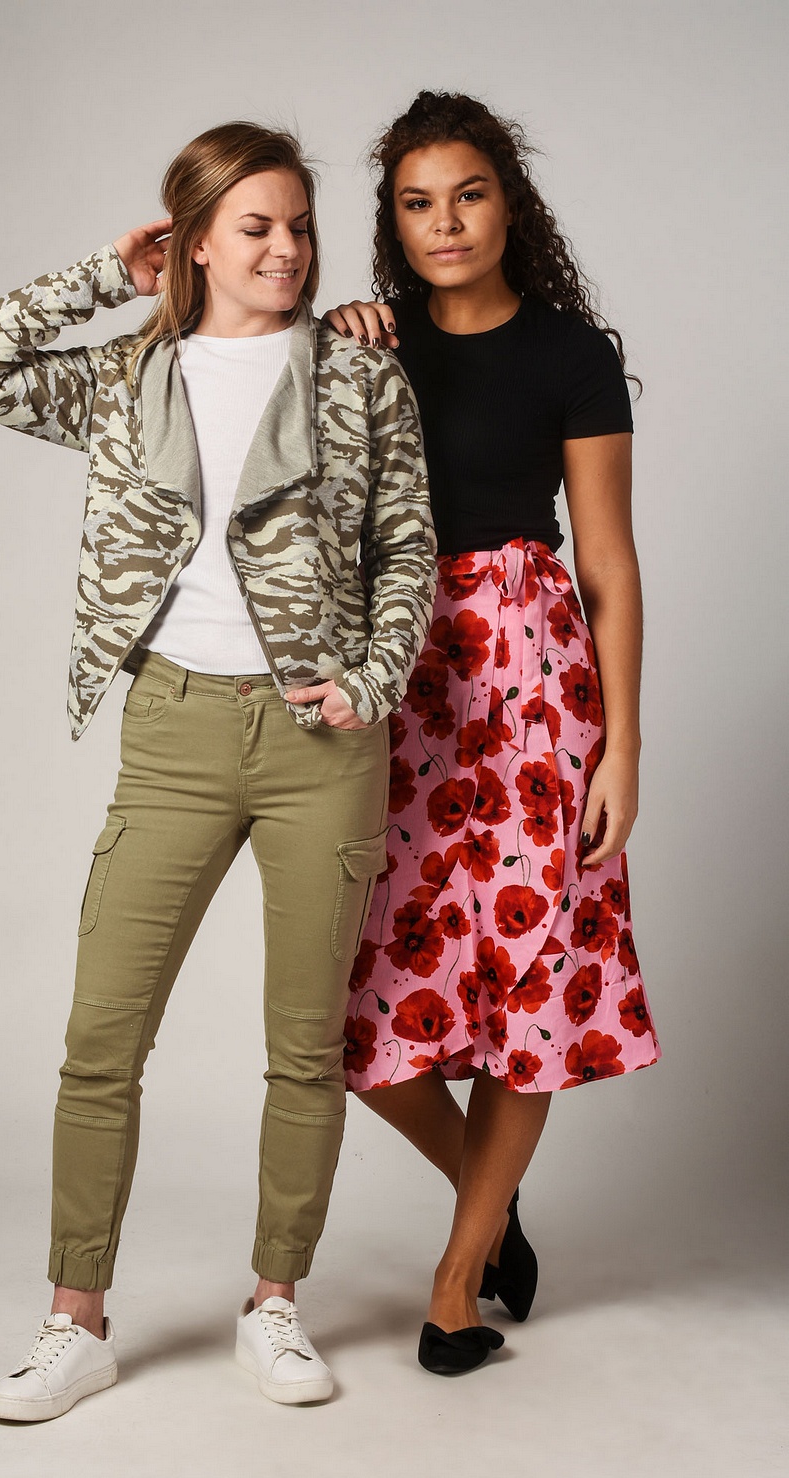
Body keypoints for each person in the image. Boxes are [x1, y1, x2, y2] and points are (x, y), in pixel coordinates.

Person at [0, 121, 435, 1417]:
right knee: (101, 1038)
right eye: (254, 227)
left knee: (302, 1047)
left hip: (323, 744)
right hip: (170, 732)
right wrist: (108, 273)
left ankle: (276, 1304)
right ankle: (75, 1321)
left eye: (299, 226)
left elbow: (407, 553)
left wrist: (371, 682)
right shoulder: (131, 374)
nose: (286, 249)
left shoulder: (357, 374)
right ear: (196, 240)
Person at [323, 90, 660, 1376]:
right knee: (365, 1018)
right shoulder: (367, 346)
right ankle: (493, 1195)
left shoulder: (571, 354)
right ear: (391, 223)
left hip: (530, 677)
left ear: (508, 202)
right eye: (417, 204)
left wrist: (622, 747)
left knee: (530, 980)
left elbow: (610, 566)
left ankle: (455, 1282)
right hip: (400, 679)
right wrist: (332, 344)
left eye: (466, 194)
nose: (445, 222)